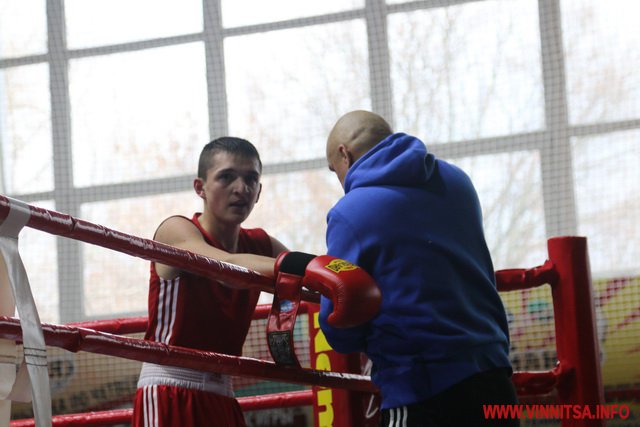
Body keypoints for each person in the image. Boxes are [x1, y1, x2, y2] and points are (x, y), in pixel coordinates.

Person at [319, 110, 518, 426]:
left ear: (345, 154)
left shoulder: (350, 211)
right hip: (494, 376)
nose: (340, 180)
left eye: (334, 170)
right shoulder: (458, 182)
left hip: (421, 390)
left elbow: (338, 325)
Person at [131, 137, 288, 427]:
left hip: (222, 392)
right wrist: (300, 269)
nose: (241, 188)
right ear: (200, 187)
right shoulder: (176, 230)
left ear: (259, 191)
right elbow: (226, 267)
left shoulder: (260, 244)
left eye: (251, 179)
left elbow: (308, 274)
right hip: (170, 389)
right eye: (226, 177)